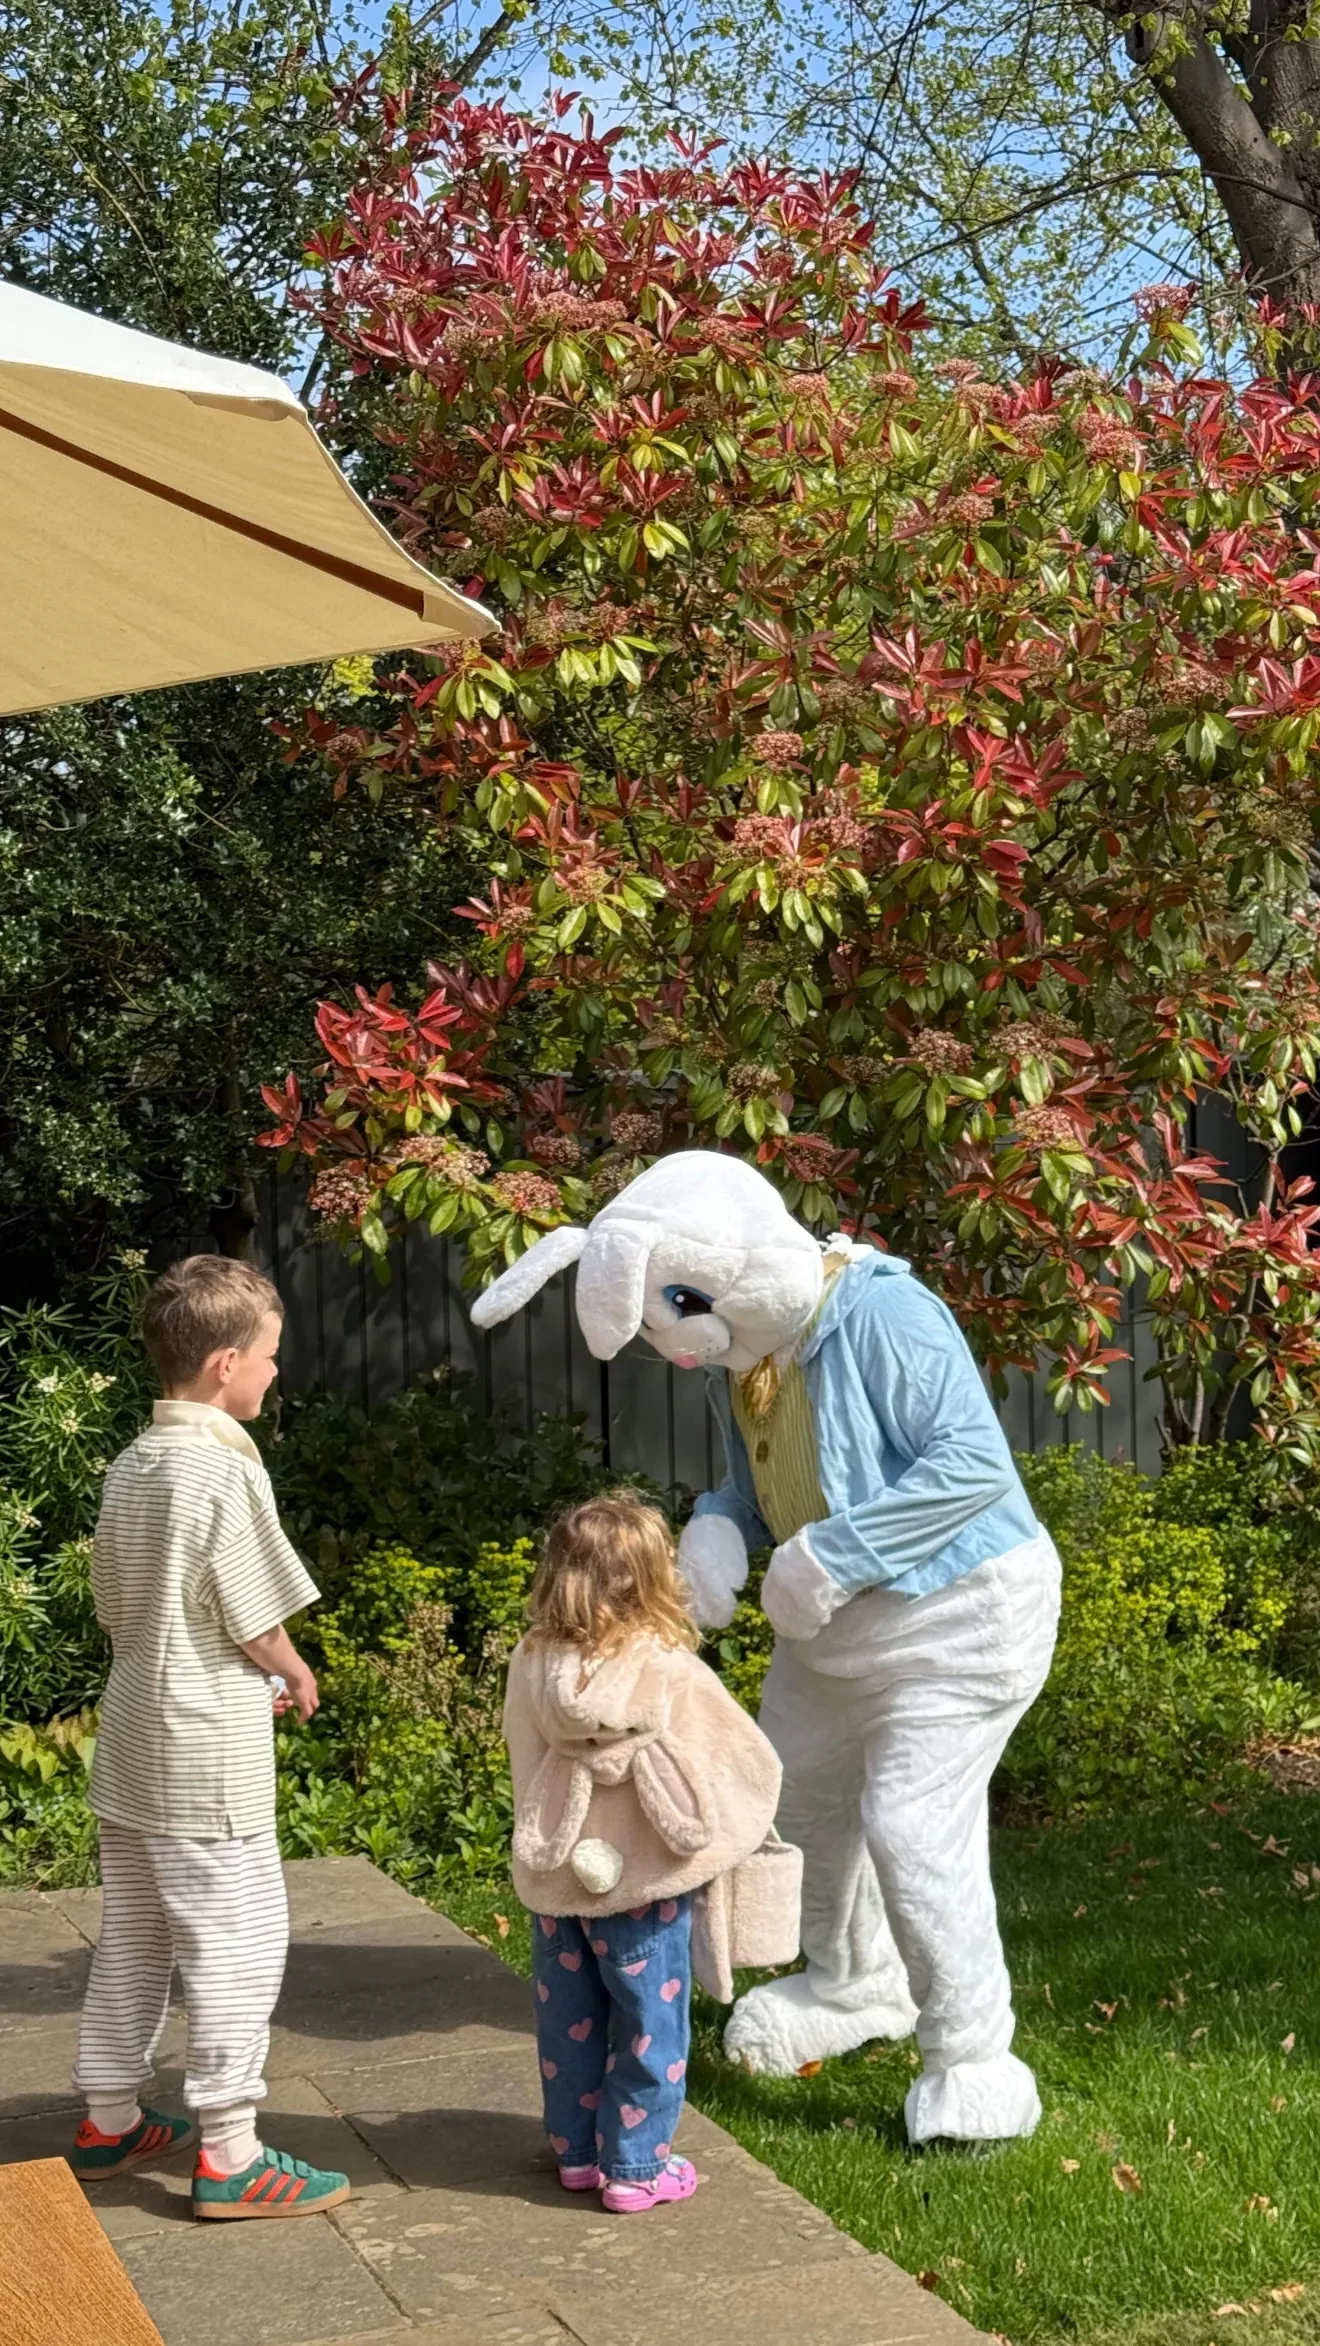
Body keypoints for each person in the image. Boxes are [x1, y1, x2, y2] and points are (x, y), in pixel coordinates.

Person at [70, 1256, 351, 2221]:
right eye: (270, 1355)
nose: (276, 1371)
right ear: (226, 1364)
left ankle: (110, 2118)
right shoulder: (225, 1466)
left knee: (136, 1934)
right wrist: (291, 1668)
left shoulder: (133, 1463)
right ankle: (231, 2151)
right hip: (203, 1758)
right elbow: (250, 1612)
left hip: (132, 1738)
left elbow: (124, 1607)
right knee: (239, 1936)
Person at [503, 1492, 783, 2213]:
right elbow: (738, 1759)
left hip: (559, 1872)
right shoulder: (669, 1669)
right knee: (649, 2025)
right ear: (651, 1577)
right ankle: (634, 2167)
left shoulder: (531, 1663)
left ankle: (575, 2153)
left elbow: (521, 1753)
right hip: (646, 1886)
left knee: (568, 2020)